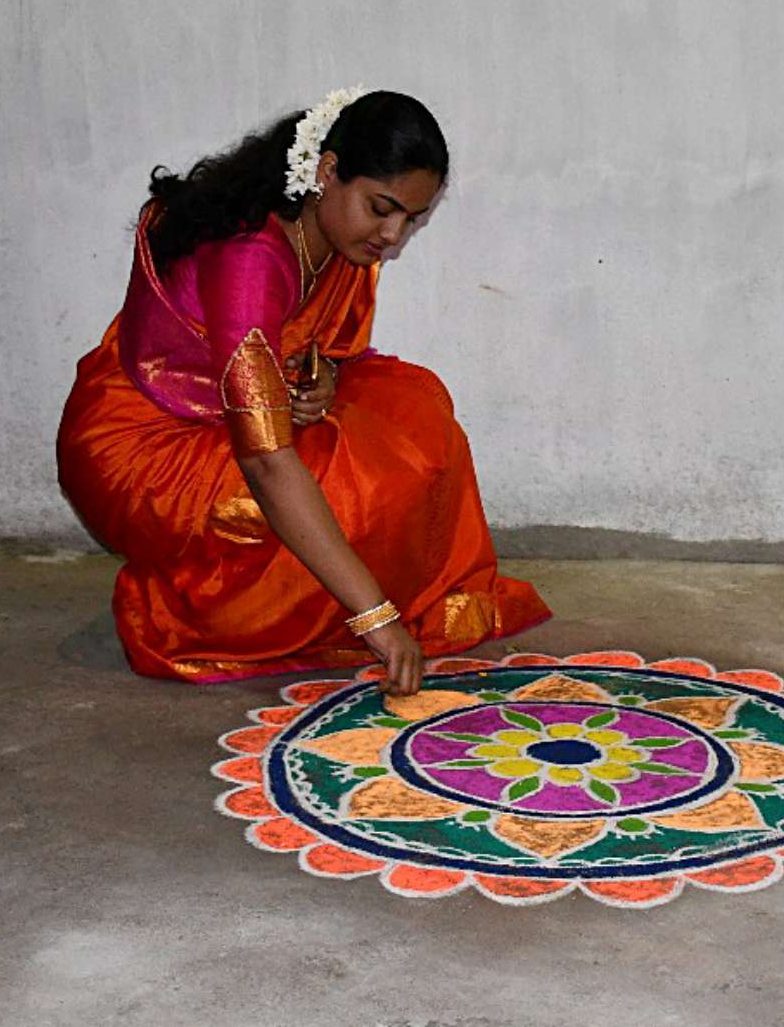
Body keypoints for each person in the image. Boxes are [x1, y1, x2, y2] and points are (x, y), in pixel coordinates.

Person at [57, 88, 550, 695]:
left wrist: (325, 379)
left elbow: (334, 346)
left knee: (416, 411)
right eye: (382, 208)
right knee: (340, 487)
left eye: (411, 221)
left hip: (242, 419)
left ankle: (335, 593)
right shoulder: (249, 261)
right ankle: (194, 613)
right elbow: (266, 461)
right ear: (326, 171)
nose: (392, 236)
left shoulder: (338, 238)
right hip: (145, 444)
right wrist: (378, 619)